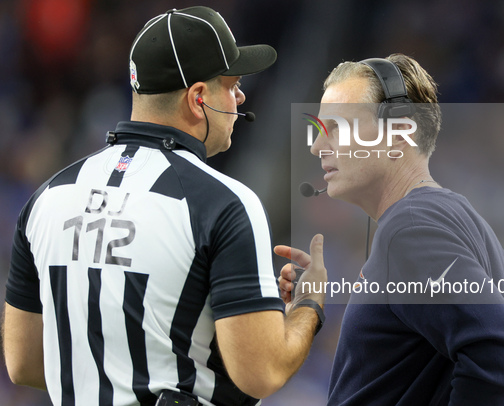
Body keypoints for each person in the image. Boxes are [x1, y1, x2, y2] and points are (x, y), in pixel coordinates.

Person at [2, 6, 327, 406]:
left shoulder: (47, 196)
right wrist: (308, 306)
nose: (240, 97)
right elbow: (262, 373)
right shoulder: (225, 203)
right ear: (198, 98)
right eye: (232, 84)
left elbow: (23, 363)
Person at [279, 54, 504, 405]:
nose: (317, 146)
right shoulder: (446, 220)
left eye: (336, 128)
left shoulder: (411, 229)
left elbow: (498, 348)